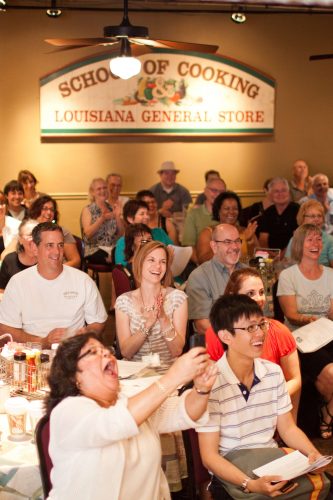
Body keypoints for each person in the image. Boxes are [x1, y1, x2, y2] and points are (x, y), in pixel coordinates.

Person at [46, 332, 217, 500]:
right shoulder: (68, 411)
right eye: (92, 352)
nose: (106, 353)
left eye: (104, 349)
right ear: (73, 377)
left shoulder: (130, 403)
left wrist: (202, 389)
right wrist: (174, 376)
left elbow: (183, 412)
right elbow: (114, 423)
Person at [197, 294, 329, 500]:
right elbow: (209, 457)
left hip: (271, 462)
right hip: (231, 474)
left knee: (323, 485)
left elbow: (288, 428)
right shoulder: (211, 383)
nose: (260, 334)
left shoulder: (273, 372)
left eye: (262, 324)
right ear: (225, 336)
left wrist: (314, 455)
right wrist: (249, 484)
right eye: (250, 328)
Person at [205, 267, 301, 419]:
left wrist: (264, 402)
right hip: (231, 415)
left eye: (262, 292)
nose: (259, 298)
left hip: (273, 413)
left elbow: (294, 379)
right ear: (233, 296)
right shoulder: (216, 333)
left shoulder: (280, 331)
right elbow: (212, 383)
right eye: (251, 293)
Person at [0, 222, 107, 347]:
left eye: (60, 245)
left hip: (73, 352)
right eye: (49, 245)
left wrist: (85, 334)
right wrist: (42, 342)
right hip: (33, 354)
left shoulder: (83, 281)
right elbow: (6, 328)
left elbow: (98, 323)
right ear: (34, 248)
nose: (56, 252)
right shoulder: (18, 283)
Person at [277, 223, 333, 439]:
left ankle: (327, 413)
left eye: (319, 239)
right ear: (300, 244)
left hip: (327, 334)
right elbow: (290, 314)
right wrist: (308, 319)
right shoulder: (288, 276)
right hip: (300, 339)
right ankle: (326, 413)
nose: (316, 244)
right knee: (330, 374)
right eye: (310, 239)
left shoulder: (330, 274)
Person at [115, 241, 187, 373]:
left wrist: (163, 318)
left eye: (163, 262)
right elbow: (126, 352)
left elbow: (177, 350)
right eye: (151, 260)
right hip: (134, 375)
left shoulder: (178, 298)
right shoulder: (124, 302)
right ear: (140, 263)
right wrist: (147, 324)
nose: (157, 266)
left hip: (168, 374)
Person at [186, 224, 245, 335]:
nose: (235, 247)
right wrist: (236, 339)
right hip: (217, 345)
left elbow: (263, 315)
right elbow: (202, 326)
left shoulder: (249, 273)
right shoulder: (199, 276)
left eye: (237, 241)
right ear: (214, 246)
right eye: (227, 242)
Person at [196, 191, 258, 264]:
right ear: (218, 211)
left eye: (235, 209)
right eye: (226, 208)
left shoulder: (246, 231)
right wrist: (242, 240)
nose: (231, 212)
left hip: (243, 273)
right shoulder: (208, 233)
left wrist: (249, 241)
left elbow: (257, 258)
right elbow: (203, 260)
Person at [115, 200, 173, 267]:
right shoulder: (123, 241)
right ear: (130, 219)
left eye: (147, 214)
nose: (147, 217)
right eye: (142, 214)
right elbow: (123, 270)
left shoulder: (159, 232)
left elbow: (173, 250)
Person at [29, 195, 81, 268]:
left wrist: (56, 270)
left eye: (52, 210)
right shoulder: (27, 232)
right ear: (36, 211)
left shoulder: (62, 232)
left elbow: (76, 261)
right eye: (45, 208)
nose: (49, 212)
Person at [182, 177, 226, 263]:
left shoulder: (229, 214)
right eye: (214, 190)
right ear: (205, 191)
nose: (218, 194)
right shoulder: (193, 214)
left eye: (222, 192)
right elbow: (189, 246)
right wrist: (201, 265)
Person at [81, 178, 123, 265]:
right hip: (94, 249)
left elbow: (121, 234)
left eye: (104, 188)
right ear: (92, 192)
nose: (102, 191)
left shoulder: (112, 208)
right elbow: (88, 234)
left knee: (124, 255)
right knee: (116, 260)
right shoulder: (88, 209)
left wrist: (118, 216)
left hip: (112, 248)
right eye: (99, 189)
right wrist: (101, 219)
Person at [285, 200, 333, 267]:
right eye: (312, 216)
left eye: (319, 216)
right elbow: (287, 264)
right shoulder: (294, 239)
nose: (316, 219)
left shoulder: (330, 240)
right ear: (302, 218)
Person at [259, 177, 299, 252]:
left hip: (292, 254)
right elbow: (263, 239)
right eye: (276, 191)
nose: (280, 194)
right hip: (271, 257)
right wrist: (269, 254)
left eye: (283, 190)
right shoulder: (267, 213)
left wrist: (282, 255)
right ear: (270, 194)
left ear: (289, 192)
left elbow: (297, 238)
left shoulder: (297, 210)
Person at [0, 219, 38, 292]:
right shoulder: (9, 260)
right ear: (20, 239)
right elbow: (1, 291)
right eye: (30, 234)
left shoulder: (48, 259)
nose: (34, 238)